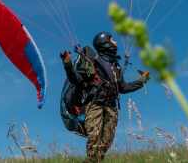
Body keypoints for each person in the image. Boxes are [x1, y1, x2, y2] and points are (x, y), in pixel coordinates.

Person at [60, 32, 150, 163]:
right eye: (112, 40)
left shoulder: (116, 66)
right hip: (95, 104)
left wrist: (141, 81)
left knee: (106, 141)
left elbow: (123, 88)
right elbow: (76, 80)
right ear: (104, 42)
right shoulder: (93, 61)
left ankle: (94, 161)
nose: (116, 42)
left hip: (112, 107)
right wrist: (68, 64)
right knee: (94, 138)